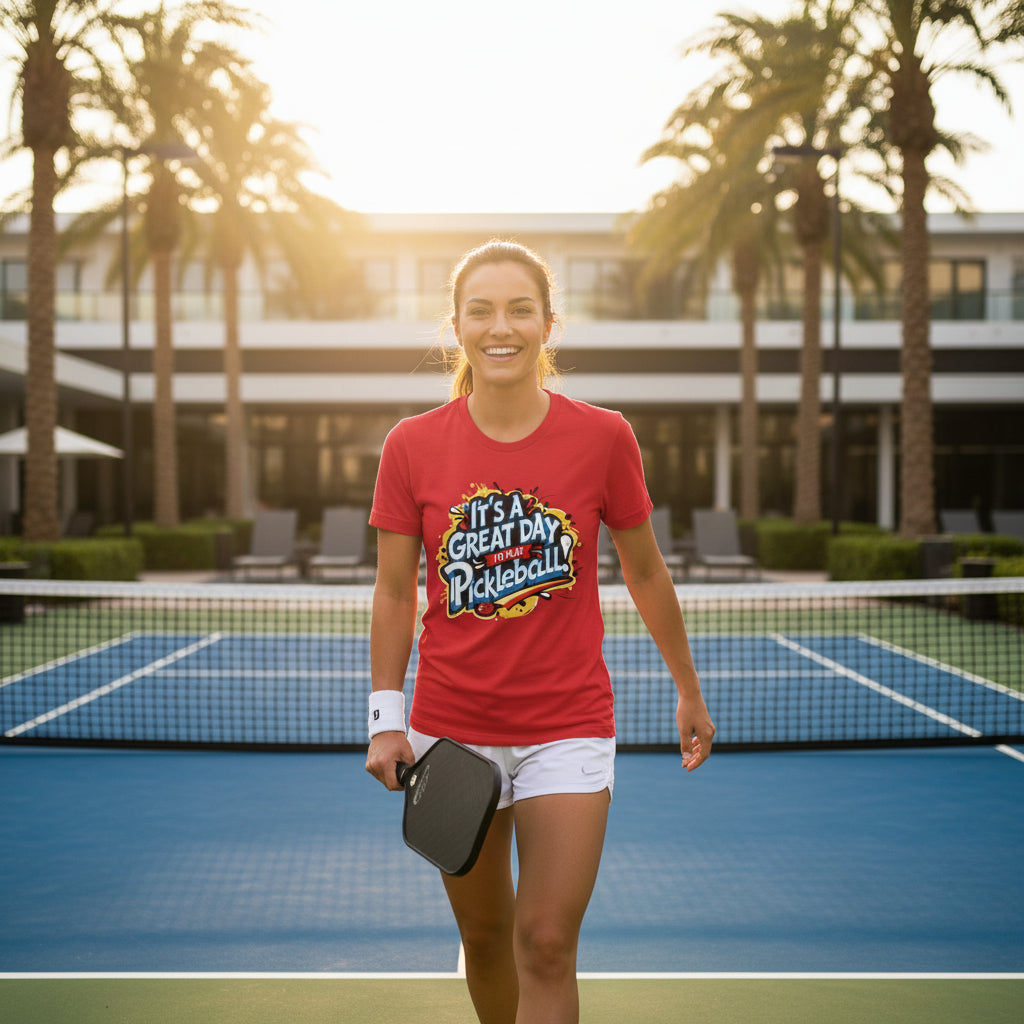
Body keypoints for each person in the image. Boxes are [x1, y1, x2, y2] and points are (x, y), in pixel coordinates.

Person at [365, 239, 714, 1024]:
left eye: (520, 308)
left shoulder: (604, 437)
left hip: (568, 726)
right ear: (456, 326)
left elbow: (648, 573)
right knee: (485, 940)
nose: (501, 326)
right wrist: (387, 723)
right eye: (480, 309)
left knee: (548, 941)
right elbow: (393, 593)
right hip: (450, 734)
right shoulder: (411, 446)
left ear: (548, 324)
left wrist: (688, 691)